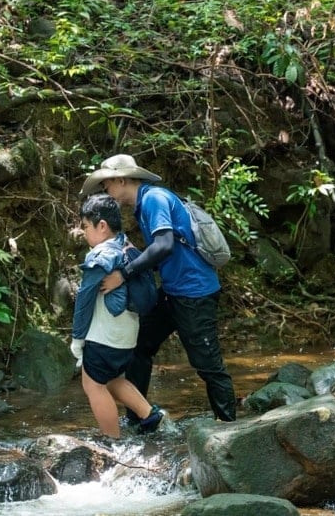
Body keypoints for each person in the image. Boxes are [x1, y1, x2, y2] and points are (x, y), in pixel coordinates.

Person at [81, 154, 237, 422]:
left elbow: (164, 245)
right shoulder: (146, 203)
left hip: (194, 294)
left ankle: (230, 430)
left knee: (208, 365)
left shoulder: (154, 199)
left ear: (121, 179)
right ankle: (139, 422)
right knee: (140, 348)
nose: (106, 191)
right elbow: (162, 252)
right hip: (174, 292)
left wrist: (125, 273)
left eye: (107, 184)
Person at [72, 194, 165, 437]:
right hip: (127, 336)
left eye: (85, 226)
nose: (83, 233)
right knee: (112, 379)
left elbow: (84, 299)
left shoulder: (100, 254)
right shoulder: (128, 246)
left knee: (92, 385)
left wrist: (77, 338)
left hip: (104, 336)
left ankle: (112, 442)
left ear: (101, 225)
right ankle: (150, 415)